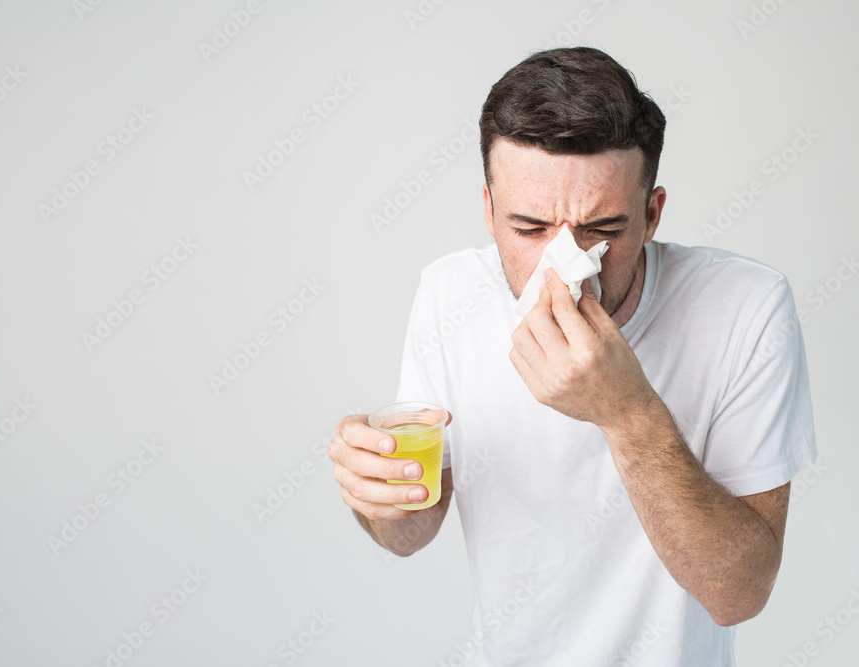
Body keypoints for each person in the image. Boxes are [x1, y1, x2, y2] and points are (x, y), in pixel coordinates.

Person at [327, 46, 817, 666]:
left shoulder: (746, 307)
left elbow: (739, 593)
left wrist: (626, 412)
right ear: (488, 212)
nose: (567, 267)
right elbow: (409, 533)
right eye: (530, 228)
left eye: (603, 230)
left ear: (652, 214)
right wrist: (378, 487)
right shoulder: (448, 293)